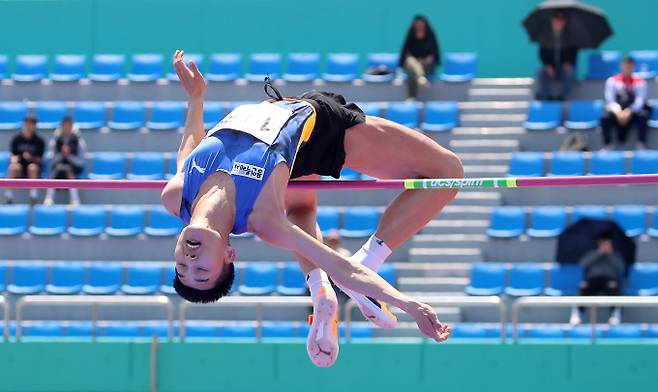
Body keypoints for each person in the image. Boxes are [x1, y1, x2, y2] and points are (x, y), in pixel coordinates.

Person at [161, 50, 461, 367]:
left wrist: (195, 98)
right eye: (202, 271)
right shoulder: (263, 218)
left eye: (182, 267)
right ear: (228, 254)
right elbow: (342, 266)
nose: (191, 261)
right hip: (322, 131)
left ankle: (321, 291)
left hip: (285, 135)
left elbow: (189, 150)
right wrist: (409, 304)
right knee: (448, 172)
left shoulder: (177, 195)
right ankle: (367, 260)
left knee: (302, 209)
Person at [569, 231, 625, 325]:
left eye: (607, 242)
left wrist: (610, 254)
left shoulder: (615, 255)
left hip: (609, 280)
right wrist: (598, 253)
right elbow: (583, 263)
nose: (605, 244)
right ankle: (577, 315)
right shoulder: (592, 253)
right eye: (603, 242)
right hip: (593, 280)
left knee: (614, 287)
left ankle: (615, 315)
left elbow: (621, 268)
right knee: (583, 288)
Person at [600, 57, 650, 150]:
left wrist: (628, 112)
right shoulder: (612, 81)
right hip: (617, 113)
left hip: (632, 113)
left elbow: (639, 101)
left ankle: (641, 144)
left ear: (633, 67)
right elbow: (610, 100)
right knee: (604, 117)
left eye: (630, 66)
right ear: (621, 66)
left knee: (644, 115)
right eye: (626, 66)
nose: (627, 68)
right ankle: (608, 145)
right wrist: (618, 112)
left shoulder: (640, 82)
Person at [535, 11, 578, 101]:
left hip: (564, 69)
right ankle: (546, 96)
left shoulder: (570, 37)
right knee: (540, 72)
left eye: (561, 20)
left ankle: (564, 96)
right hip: (551, 69)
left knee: (569, 72)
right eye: (556, 19)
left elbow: (574, 52)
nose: (559, 22)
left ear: (564, 22)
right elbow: (541, 53)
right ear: (552, 21)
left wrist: (568, 63)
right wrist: (548, 65)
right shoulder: (546, 36)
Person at [43, 116, 85, 206]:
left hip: (74, 169)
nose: (66, 128)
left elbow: (81, 162)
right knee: (57, 168)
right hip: (58, 169)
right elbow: (52, 160)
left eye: (68, 125)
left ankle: (75, 199)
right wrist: (62, 155)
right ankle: (49, 198)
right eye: (64, 125)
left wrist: (68, 156)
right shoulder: (55, 141)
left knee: (67, 168)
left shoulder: (79, 141)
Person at [5, 115, 45, 204]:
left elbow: (40, 159)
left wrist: (31, 158)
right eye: (27, 124)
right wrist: (14, 160)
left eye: (31, 125)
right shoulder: (16, 139)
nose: (28, 127)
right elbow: (13, 155)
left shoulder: (39, 141)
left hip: (33, 169)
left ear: (34, 126)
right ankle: (8, 196)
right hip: (20, 168)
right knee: (13, 167)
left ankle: (33, 196)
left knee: (32, 167)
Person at [398, 15, 440, 100]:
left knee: (412, 71)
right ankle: (421, 78)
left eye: (421, 24)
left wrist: (424, 61)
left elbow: (433, 54)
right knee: (410, 62)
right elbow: (406, 53)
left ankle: (411, 97)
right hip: (412, 64)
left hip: (426, 66)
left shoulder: (430, 34)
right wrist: (416, 62)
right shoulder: (410, 35)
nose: (419, 26)